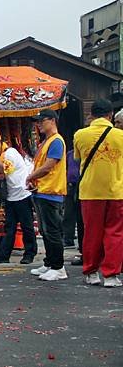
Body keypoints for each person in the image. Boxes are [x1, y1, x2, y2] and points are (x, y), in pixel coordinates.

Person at [74, 99, 123, 287]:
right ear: (110, 115)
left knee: (91, 232)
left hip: (90, 192)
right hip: (116, 190)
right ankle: (111, 275)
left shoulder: (80, 135)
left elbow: (78, 158)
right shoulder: (120, 136)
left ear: (92, 114)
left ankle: (91, 272)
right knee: (115, 233)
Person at [0, 131, 37, 265]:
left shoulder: (10, 153)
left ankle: (29, 254)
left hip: (22, 194)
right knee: (9, 228)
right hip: (10, 196)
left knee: (27, 227)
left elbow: (3, 170)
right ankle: (3, 255)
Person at [26, 109, 68, 281]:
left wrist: (31, 176)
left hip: (51, 191)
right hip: (42, 191)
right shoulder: (47, 141)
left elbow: (49, 165)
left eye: (42, 120)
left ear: (52, 120)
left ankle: (58, 267)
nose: (39, 124)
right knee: (45, 230)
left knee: (52, 231)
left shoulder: (56, 141)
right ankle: (50, 263)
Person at [63, 150, 84, 263]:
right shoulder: (70, 154)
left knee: (81, 218)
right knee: (68, 213)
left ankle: (83, 248)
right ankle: (68, 238)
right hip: (71, 185)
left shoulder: (85, 152)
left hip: (81, 185)